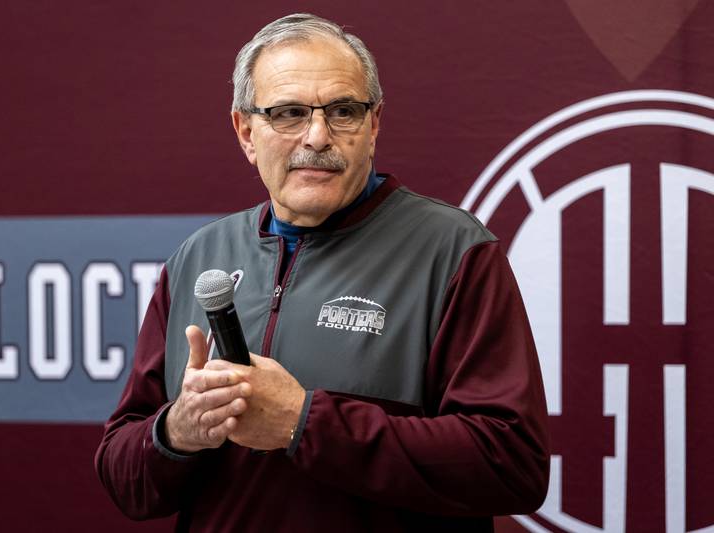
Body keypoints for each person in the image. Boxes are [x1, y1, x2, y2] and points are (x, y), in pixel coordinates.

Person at [95, 13, 549, 532]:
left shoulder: (453, 253)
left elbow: (512, 466)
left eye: (343, 111)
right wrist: (178, 431)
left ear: (373, 125)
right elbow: (124, 478)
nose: (317, 135)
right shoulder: (197, 259)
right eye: (288, 113)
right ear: (246, 131)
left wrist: (302, 422)